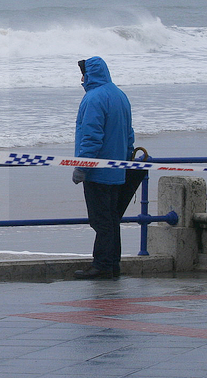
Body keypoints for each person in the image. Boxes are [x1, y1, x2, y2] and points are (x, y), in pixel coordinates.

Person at [72, 56, 134, 280]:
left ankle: (103, 264)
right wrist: (125, 160)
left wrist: (82, 167)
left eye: (82, 74)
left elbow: (91, 137)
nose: (80, 79)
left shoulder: (94, 98)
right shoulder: (120, 95)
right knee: (111, 219)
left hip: (99, 172)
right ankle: (112, 263)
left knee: (101, 221)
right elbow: (129, 135)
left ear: (89, 75)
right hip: (117, 170)